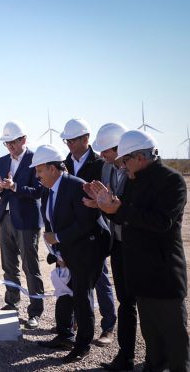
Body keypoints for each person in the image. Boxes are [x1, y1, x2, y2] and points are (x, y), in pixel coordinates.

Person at [90, 130, 190, 371]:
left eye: (125, 161)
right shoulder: (135, 180)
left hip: (164, 275)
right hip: (141, 275)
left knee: (175, 342)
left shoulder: (172, 181)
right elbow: (123, 214)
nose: (122, 167)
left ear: (140, 157)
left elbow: (161, 222)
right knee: (153, 340)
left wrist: (117, 210)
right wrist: (104, 206)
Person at [32, 144, 110, 363]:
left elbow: (87, 222)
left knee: (82, 296)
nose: (37, 176)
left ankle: (82, 345)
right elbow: (49, 220)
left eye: (39, 171)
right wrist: (57, 250)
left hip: (87, 250)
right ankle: (65, 335)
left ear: (53, 169)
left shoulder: (77, 186)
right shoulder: (49, 189)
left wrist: (59, 238)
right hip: (66, 251)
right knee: (64, 292)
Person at [83, 122, 139, 371]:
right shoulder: (107, 168)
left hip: (137, 244)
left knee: (141, 302)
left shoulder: (137, 174)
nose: (103, 156)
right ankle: (125, 356)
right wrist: (99, 203)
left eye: (106, 151)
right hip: (115, 242)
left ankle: (160, 357)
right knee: (125, 300)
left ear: (120, 148)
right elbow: (108, 204)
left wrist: (112, 206)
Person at [59, 118, 116, 347]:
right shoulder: (64, 164)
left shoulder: (101, 164)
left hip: (95, 231)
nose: (70, 144)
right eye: (67, 140)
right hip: (71, 232)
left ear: (86, 139)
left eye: (74, 140)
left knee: (99, 277)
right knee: (72, 278)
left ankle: (108, 327)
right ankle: (75, 322)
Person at [0, 121, 44, 329]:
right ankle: (11, 303)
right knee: (9, 265)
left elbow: (39, 190)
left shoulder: (36, 159)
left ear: (23, 140)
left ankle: (35, 311)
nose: (9, 146)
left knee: (31, 266)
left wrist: (16, 186)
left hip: (27, 220)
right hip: (6, 218)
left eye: (12, 142)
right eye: (6, 143)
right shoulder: (2, 161)